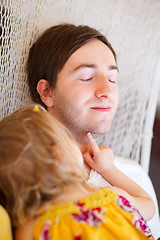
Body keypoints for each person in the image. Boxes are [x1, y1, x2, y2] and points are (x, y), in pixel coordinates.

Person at [26, 24, 160, 237]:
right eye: (87, 77)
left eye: (112, 79)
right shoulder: (21, 174)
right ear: (46, 91)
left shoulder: (133, 175)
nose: (107, 91)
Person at [0, 104, 154, 240]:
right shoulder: (109, 199)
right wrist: (108, 169)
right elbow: (148, 206)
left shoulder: (29, 229)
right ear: (58, 154)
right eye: (67, 137)